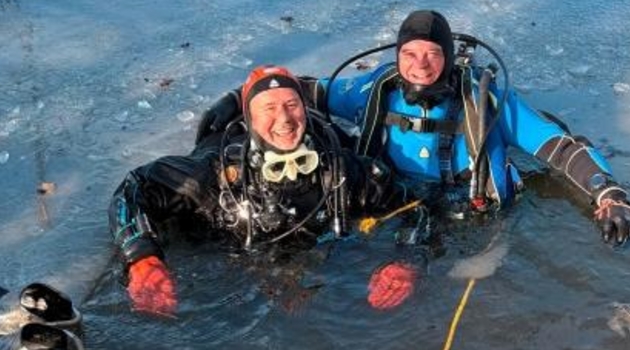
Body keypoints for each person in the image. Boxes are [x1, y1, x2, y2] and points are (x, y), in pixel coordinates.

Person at [199, 11, 630, 246]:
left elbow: (558, 148)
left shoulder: (485, 100)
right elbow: (305, 94)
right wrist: (238, 98)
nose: (420, 65)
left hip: (476, 217)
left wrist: (608, 195)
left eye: (432, 54)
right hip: (392, 207)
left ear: (448, 56)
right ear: (397, 55)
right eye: (410, 53)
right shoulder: (376, 89)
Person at [109, 65, 416, 315]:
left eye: (292, 105)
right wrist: (141, 257)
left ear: (305, 111)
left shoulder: (341, 171)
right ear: (250, 119)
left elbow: (415, 207)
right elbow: (134, 188)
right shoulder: (215, 177)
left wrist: (407, 261)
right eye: (268, 108)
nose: (283, 119)